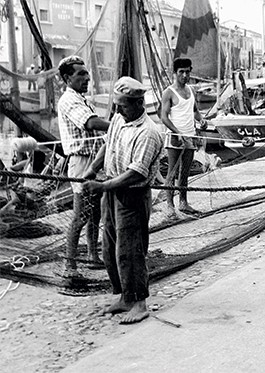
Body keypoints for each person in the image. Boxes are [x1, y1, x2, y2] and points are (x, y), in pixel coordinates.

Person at [82, 76, 163, 324]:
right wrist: (92, 169)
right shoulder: (119, 118)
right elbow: (109, 144)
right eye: (116, 104)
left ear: (139, 103)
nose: (117, 110)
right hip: (112, 189)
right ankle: (124, 296)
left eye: (124, 105)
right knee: (110, 247)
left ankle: (139, 302)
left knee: (131, 249)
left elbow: (136, 172)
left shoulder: (148, 132)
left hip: (133, 194)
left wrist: (102, 185)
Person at [57, 55, 110, 276]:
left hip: (94, 160)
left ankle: (91, 254)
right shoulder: (68, 100)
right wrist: (118, 125)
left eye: (86, 73)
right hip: (81, 162)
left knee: (95, 211)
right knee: (80, 215)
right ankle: (70, 264)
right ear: (68, 78)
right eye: (81, 74)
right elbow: (90, 123)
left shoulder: (80, 98)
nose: (87, 78)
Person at [160, 57, 207, 218]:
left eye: (187, 72)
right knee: (172, 173)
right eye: (181, 72)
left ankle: (183, 203)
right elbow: (164, 117)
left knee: (185, 172)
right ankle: (170, 206)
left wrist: (201, 120)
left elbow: (194, 110)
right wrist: (177, 132)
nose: (185, 75)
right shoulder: (169, 92)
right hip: (175, 137)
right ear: (175, 73)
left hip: (190, 136)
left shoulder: (191, 90)